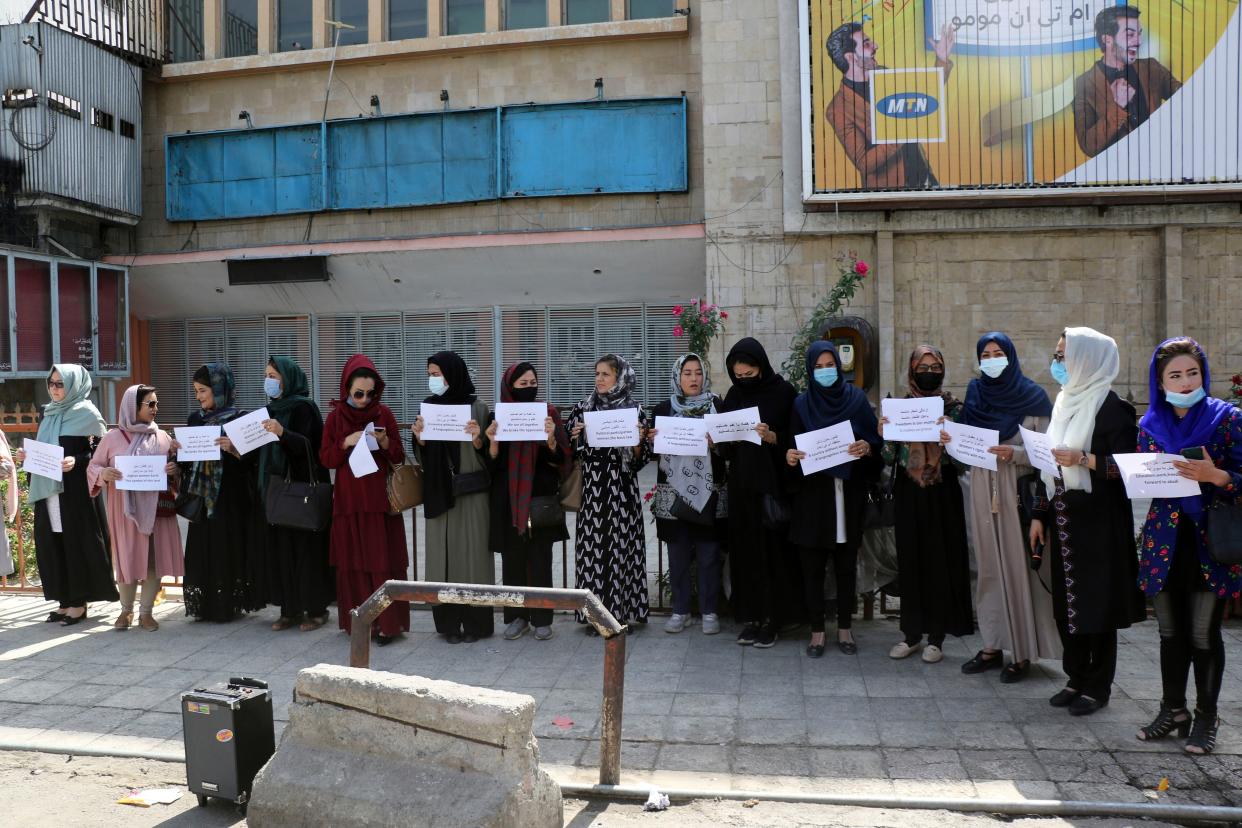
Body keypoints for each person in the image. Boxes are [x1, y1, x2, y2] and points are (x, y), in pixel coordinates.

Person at [1028, 328, 1146, 716]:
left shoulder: (1114, 409)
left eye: (1065, 355)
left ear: (1088, 359)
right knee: (1067, 606)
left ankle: (1099, 685)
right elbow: (1049, 465)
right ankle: (1075, 676)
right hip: (1063, 521)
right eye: (1057, 354)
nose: (1058, 363)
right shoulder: (1064, 403)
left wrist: (1083, 460)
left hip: (1099, 526)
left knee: (1098, 607)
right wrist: (1038, 515)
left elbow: (1128, 469)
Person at [1133, 338, 1242, 754]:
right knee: (1168, 632)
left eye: (1192, 373)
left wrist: (1218, 477)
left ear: (1204, 374)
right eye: (1174, 375)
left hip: (1208, 540)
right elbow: (1145, 476)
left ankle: (1207, 718)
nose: (1184, 382)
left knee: (1202, 634)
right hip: (1164, 539)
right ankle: (1173, 710)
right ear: (1160, 382)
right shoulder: (1148, 426)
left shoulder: (1228, 419)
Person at [954, 332, 1059, 682]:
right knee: (987, 568)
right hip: (983, 489)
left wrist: (1013, 454)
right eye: (986, 354)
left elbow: (1046, 456)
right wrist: (949, 437)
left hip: (1017, 491)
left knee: (1019, 570)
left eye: (998, 353)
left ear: (1011, 356)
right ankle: (992, 645)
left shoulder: (1032, 397)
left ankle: (1023, 651)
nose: (992, 359)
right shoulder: (976, 394)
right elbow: (967, 440)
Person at [785, 341, 881, 657]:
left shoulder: (855, 400)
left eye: (830, 365)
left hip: (847, 497)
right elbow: (790, 448)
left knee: (845, 568)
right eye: (818, 366)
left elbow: (876, 447)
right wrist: (791, 457)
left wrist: (867, 448)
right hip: (813, 501)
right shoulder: (801, 405)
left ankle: (844, 629)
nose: (825, 371)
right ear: (810, 370)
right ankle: (816, 632)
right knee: (812, 569)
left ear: (839, 366)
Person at [881, 345, 973, 664]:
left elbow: (964, 464)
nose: (929, 373)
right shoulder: (901, 407)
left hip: (943, 495)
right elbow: (889, 459)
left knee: (940, 562)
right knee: (911, 562)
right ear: (912, 369)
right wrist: (886, 434)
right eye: (924, 367)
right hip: (909, 493)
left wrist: (953, 439)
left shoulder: (955, 408)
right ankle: (910, 635)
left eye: (936, 367)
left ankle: (936, 637)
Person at [321, 354, 411, 646]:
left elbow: (398, 454)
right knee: (354, 562)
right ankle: (360, 623)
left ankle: (388, 624)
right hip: (349, 504)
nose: (363, 399)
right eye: (358, 393)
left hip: (380, 503)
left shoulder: (383, 414)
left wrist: (384, 441)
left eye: (370, 393)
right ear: (346, 388)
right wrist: (345, 442)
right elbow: (326, 458)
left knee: (382, 561)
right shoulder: (336, 417)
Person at [720, 338, 799, 649]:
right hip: (742, 488)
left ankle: (774, 619)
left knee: (773, 555)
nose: (744, 380)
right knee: (746, 554)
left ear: (761, 367)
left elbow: (795, 437)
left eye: (749, 374)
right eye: (738, 375)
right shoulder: (734, 395)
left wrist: (772, 437)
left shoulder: (782, 392)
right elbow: (726, 447)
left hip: (771, 486)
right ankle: (751, 617)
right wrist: (721, 438)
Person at [21, 364, 116, 624]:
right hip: (50, 492)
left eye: (60, 384)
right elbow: (44, 452)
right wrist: (28, 457)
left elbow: (99, 455)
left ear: (74, 385)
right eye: (51, 383)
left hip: (75, 494)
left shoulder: (87, 414)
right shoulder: (49, 414)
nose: (54, 388)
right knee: (55, 542)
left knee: (77, 543)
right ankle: (64, 599)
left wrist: (77, 460)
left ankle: (79, 601)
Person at [486, 362, 571, 642]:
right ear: (510, 387)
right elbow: (490, 466)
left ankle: (542, 618)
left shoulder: (548, 413)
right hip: (508, 501)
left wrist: (550, 443)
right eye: (522, 384)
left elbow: (563, 460)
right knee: (512, 561)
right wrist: (493, 445)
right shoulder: (497, 417)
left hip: (540, 500)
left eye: (533, 382)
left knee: (540, 560)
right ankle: (515, 617)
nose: (529, 388)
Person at [566, 354, 652, 632]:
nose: (599, 380)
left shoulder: (635, 411)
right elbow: (569, 452)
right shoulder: (583, 408)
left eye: (606, 374)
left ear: (620, 378)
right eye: (597, 374)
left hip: (622, 491)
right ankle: (594, 617)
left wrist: (639, 441)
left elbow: (640, 460)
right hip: (592, 491)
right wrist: (575, 436)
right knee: (593, 551)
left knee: (622, 549)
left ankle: (622, 612)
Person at [88, 385, 184, 631]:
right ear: (133, 406)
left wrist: (174, 470)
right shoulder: (112, 438)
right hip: (124, 509)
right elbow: (93, 467)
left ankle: (146, 613)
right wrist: (104, 473)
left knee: (153, 560)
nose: (155, 409)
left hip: (156, 508)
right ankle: (125, 611)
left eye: (156, 403)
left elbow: (173, 470)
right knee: (127, 558)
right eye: (150, 404)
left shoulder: (162, 437)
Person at [413, 351, 494, 643]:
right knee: (442, 559)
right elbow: (423, 455)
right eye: (430, 374)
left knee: (472, 559)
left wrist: (478, 440)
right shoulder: (429, 407)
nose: (432, 380)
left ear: (453, 373)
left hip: (471, 494)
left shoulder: (479, 408)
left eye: (437, 374)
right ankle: (448, 623)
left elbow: (492, 456)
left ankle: (476, 623)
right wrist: (419, 438)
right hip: (439, 493)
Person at [648, 353, 726, 636]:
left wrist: (717, 443)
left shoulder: (717, 406)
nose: (693, 379)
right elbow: (649, 454)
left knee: (708, 554)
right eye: (687, 373)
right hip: (673, 494)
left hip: (709, 491)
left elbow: (729, 449)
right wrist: (651, 440)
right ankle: (680, 610)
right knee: (678, 555)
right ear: (677, 377)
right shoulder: (663, 409)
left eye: (697, 373)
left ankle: (709, 610)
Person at [824, 21, 955, 188]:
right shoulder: (838, 109)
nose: (875, 46)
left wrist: (942, 59)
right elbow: (864, 162)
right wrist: (902, 129)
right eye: (866, 44)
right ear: (850, 57)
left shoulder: (884, 74)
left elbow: (924, 95)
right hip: (891, 191)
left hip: (925, 177)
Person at [179, 363, 262, 622]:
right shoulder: (195, 419)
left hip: (230, 498)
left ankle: (228, 605)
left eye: (203, 390)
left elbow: (255, 463)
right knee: (202, 548)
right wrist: (177, 453)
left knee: (227, 548)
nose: (198, 396)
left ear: (219, 388)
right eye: (196, 391)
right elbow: (187, 462)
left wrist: (234, 450)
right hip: (202, 498)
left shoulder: (241, 419)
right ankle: (203, 605)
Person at [257, 356, 334, 632]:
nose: (269, 381)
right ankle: (288, 610)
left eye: (274, 376)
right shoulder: (269, 410)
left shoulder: (305, 408)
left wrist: (283, 433)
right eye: (267, 375)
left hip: (302, 491)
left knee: (306, 553)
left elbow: (311, 448)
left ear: (289, 379)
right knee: (282, 551)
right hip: (277, 490)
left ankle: (316, 610)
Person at [1073, 5, 1181, 157]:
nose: (1138, 42)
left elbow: (1186, 99)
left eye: (1139, 34)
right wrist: (1118, 107)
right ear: (1107, 40)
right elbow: (1088, 145)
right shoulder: (1084, 84)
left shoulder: (1152, 68)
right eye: (1130, 35)